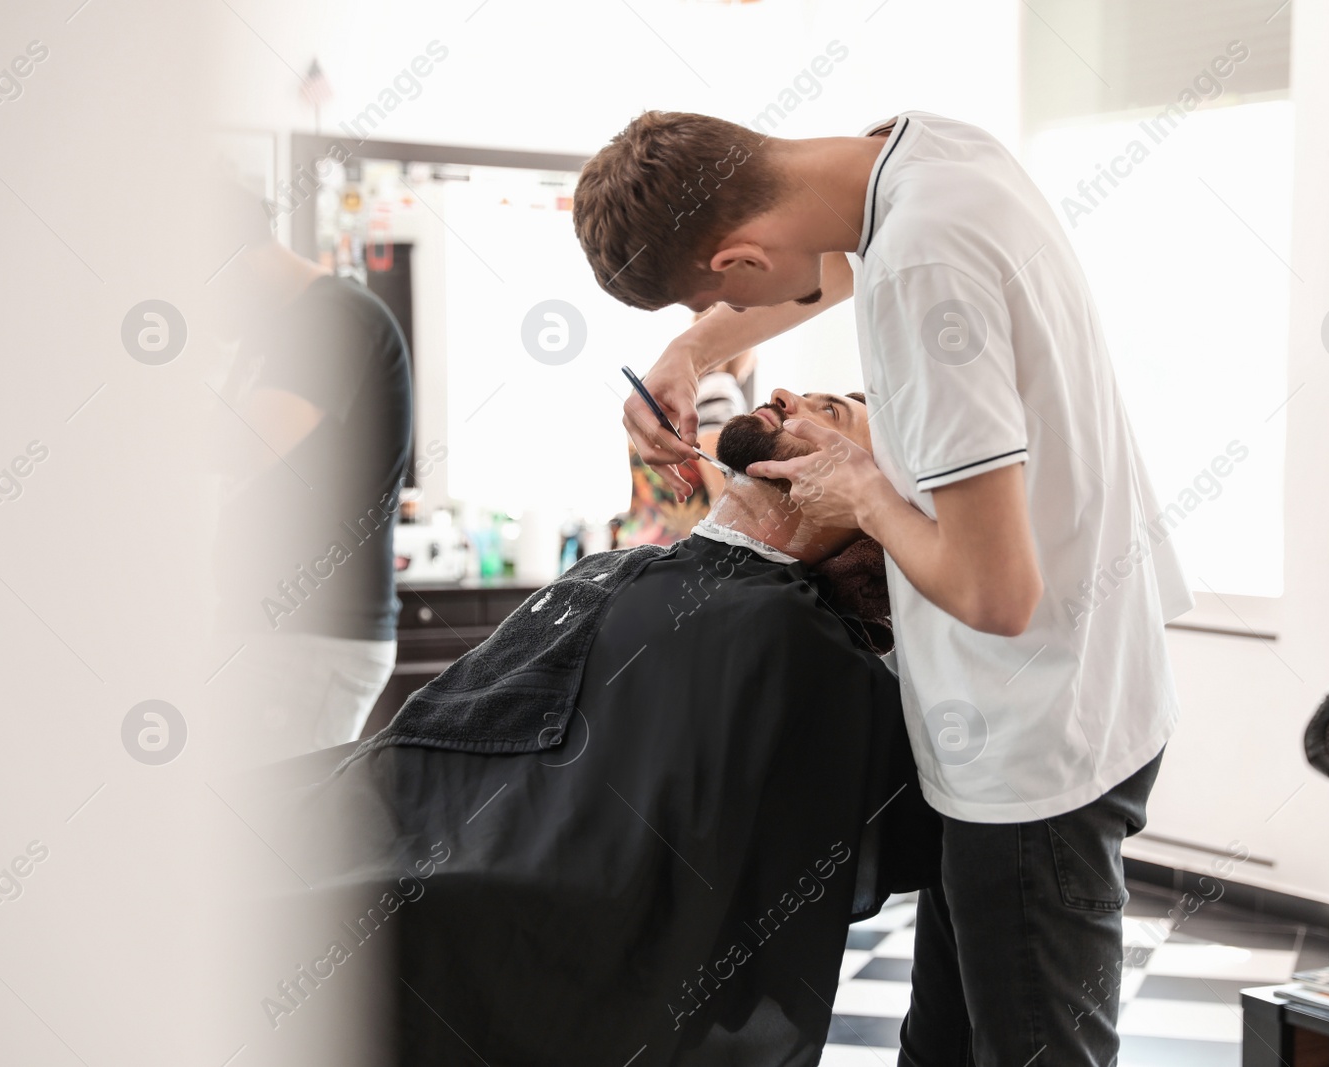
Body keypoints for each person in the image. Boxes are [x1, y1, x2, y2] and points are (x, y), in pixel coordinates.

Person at [573, 110, 1193, 1065]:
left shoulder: (918, 274)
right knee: (941, 1048)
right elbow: (824, 266)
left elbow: (999, 596)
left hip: (1029, 743)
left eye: (708, 301)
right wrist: (689, 352)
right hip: (1068, 692)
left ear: (738, 257)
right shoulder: (931, 154)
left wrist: (859, 491)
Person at [278, 390, 938, 1066]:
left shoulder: (800, 642)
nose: (787, 395)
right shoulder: (625, 567)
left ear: (864, 495)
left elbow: (907, 826)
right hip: (403, 822)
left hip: (506, 905)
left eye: (832, 415)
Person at [214, 187, 413, 758]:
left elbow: (238, 446)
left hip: (313, 633)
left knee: (277, 829)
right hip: (279, 629)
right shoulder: (277, 332)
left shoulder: (334, 317)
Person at [614, 312, 756, 547]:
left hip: (635, 543)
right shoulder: (719, 388)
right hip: (684, 553)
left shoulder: (651, 388)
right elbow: (723, 495)